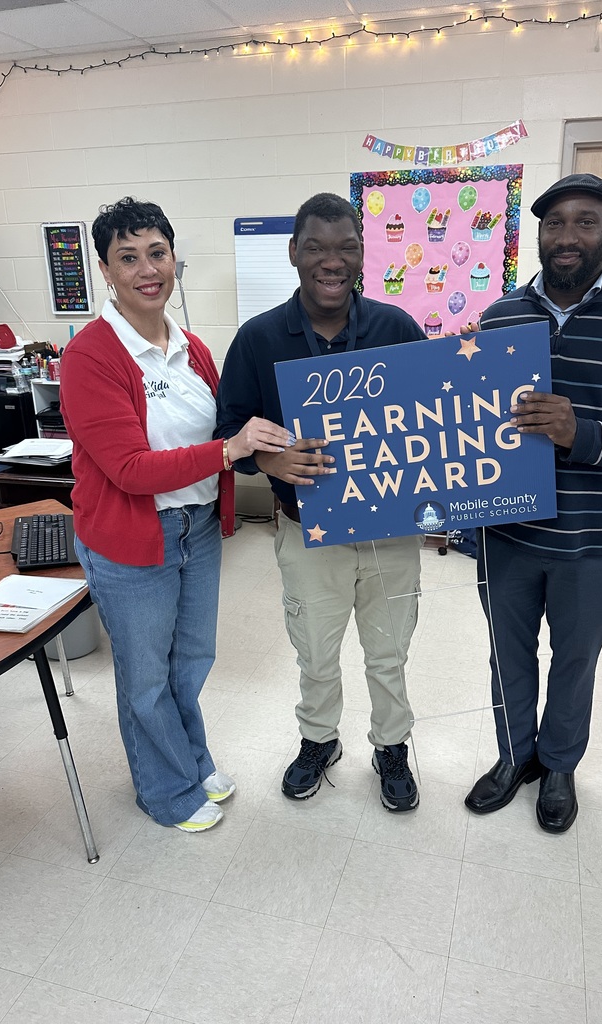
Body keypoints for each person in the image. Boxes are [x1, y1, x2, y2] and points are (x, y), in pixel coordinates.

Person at [464, 173, 602, 833]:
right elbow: (471, 429)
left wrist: (578, 432)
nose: (567, 237)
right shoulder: (501, 318)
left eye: (584, 222)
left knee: (574, 658)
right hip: (505, 533)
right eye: (554, 223)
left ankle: (558, 765)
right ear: (538, 233)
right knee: (506, 654)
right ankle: (515, 757)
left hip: (593, 541)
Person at [60, 197, 291, 833]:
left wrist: (264, 444)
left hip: (195, 530)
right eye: (127, 258)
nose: (146, 270)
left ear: (173, 257)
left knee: (191, 660)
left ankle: (191, 758)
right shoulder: (90, 357)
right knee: (144, 678)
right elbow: (130, 469)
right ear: (106, 270)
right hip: (133, 539)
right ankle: (165, 790)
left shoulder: (191, 347)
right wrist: (231, 448)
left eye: (156, 253)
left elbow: (222, 427)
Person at [216, 193, 426, 812]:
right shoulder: (257, 339)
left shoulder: (396, 329)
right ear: (293, 254)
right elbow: (226, 434)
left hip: (390, 532)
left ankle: (392, 747)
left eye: (346, 247)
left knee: (389, 653)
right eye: (316, 247)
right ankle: (319, 740)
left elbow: (433, 424)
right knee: (315, 653)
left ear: (362, 253)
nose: (331, 262)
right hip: (305, 531)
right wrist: (268, 460)